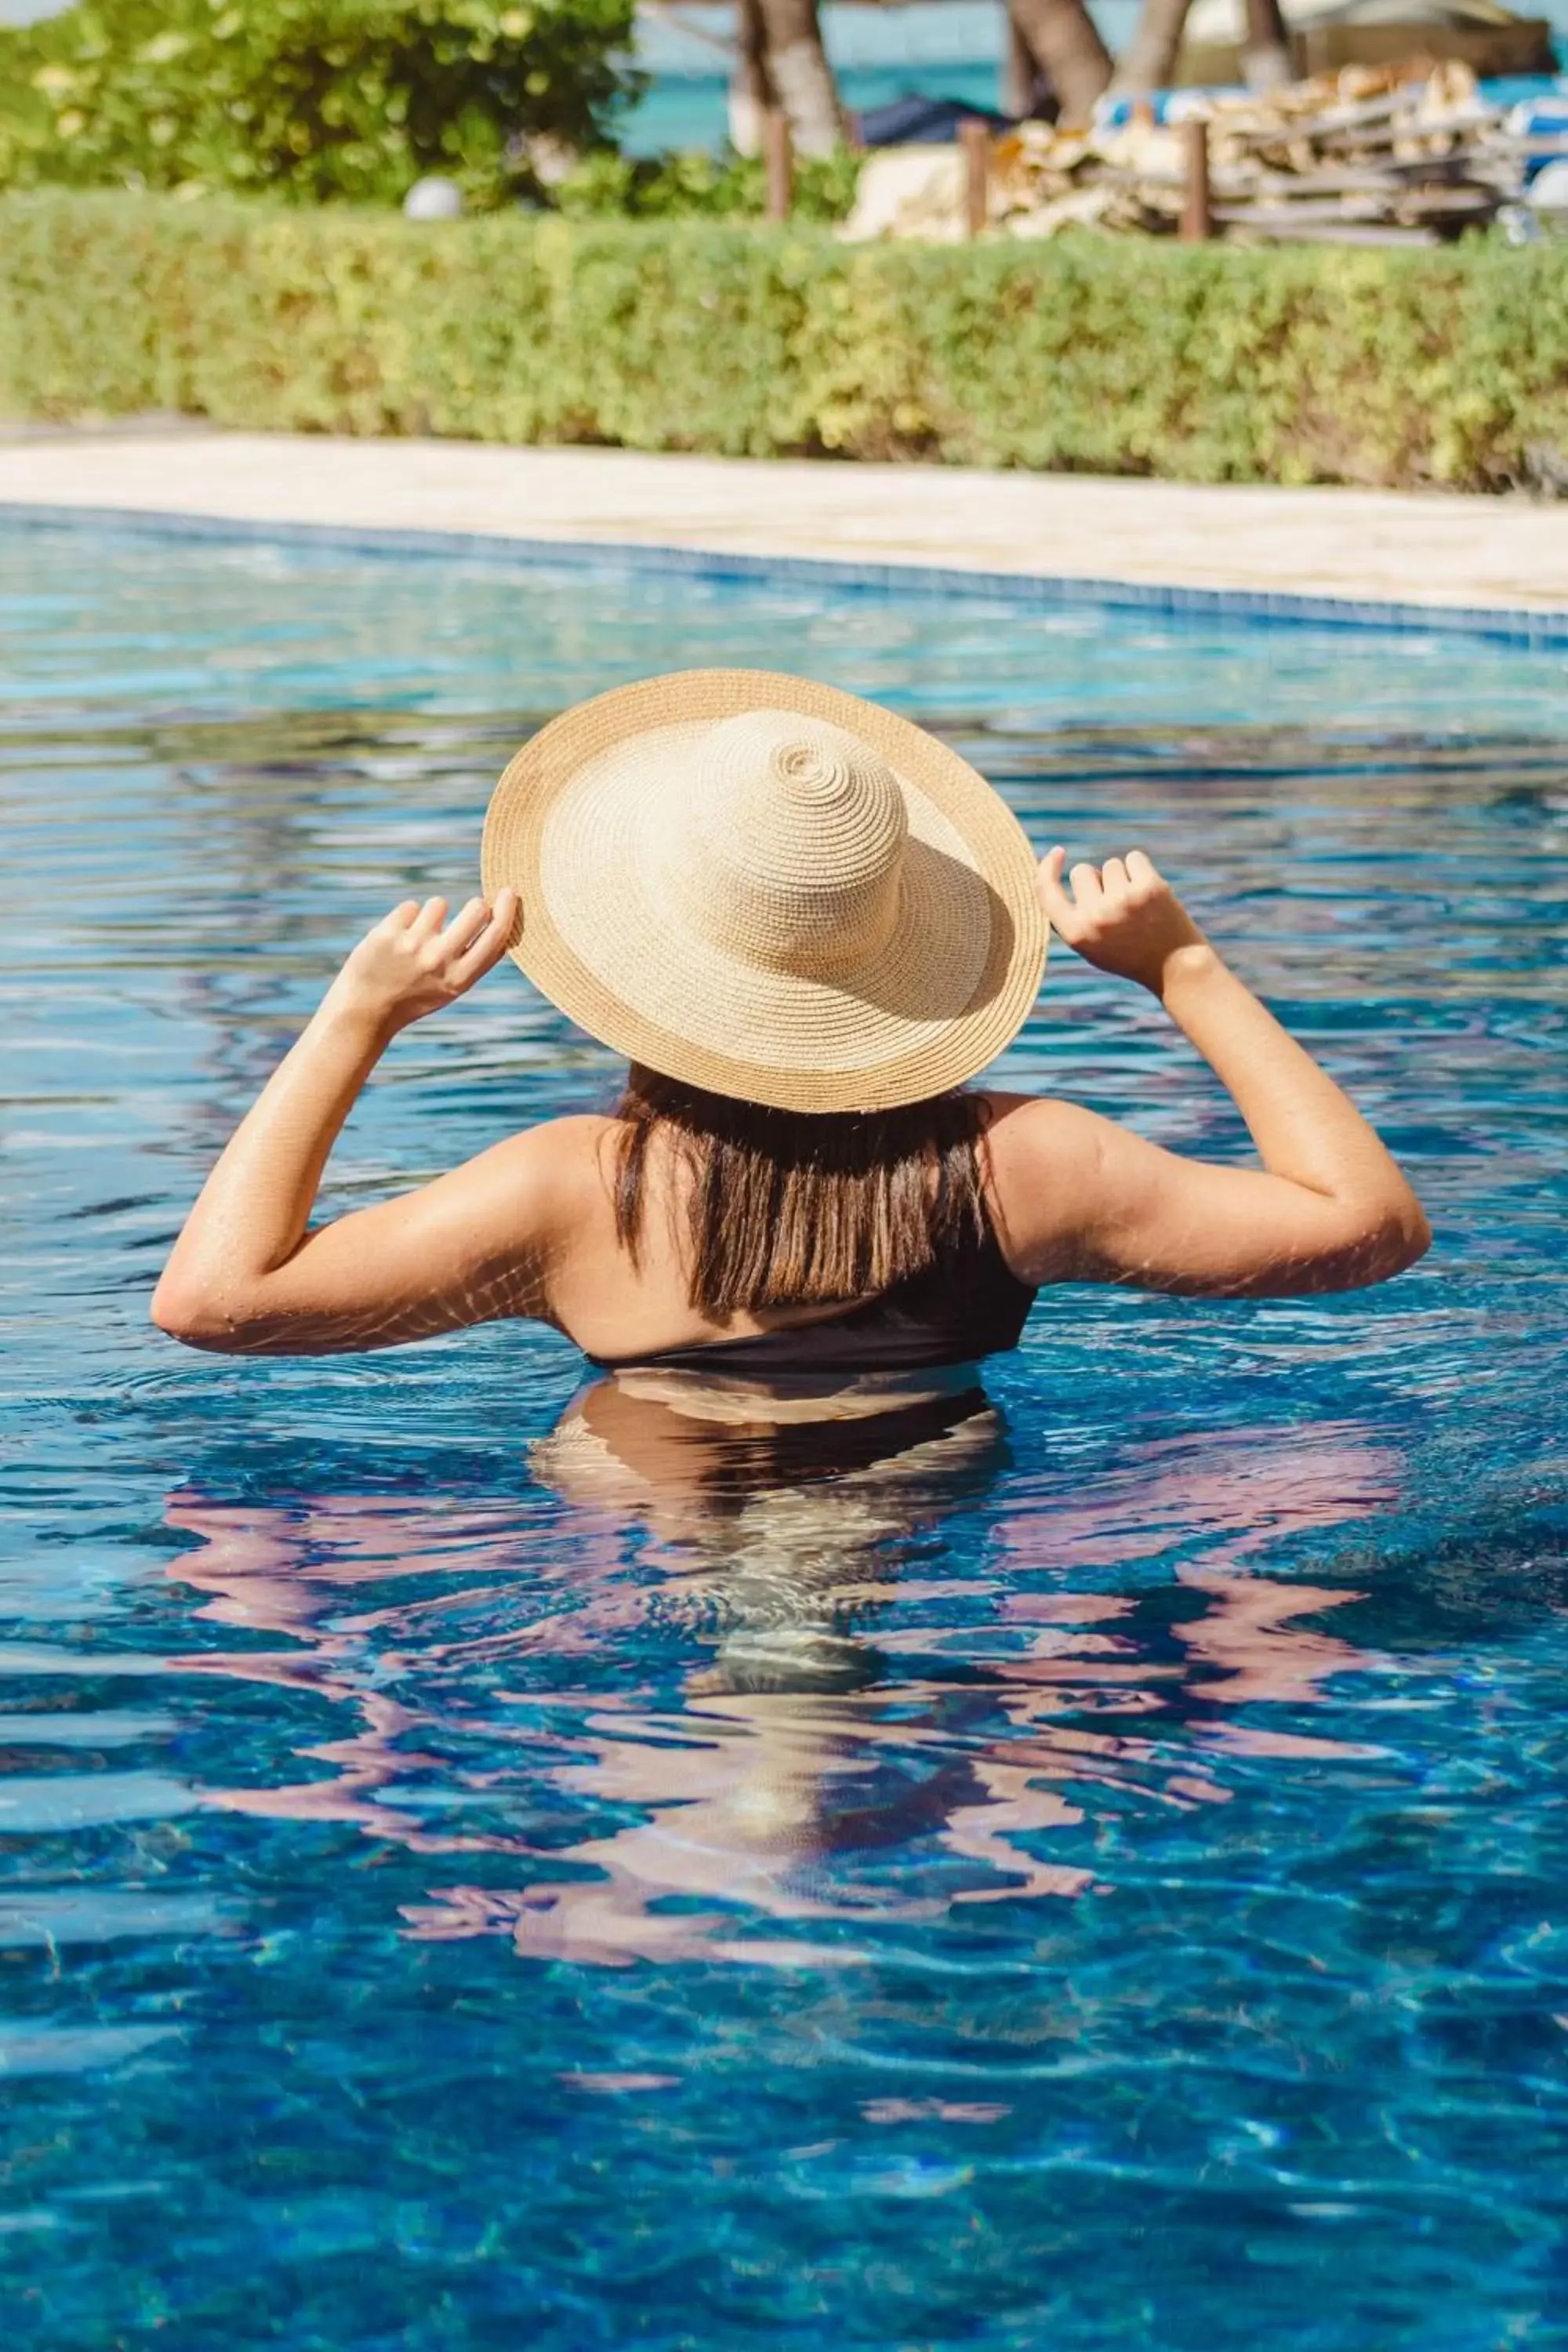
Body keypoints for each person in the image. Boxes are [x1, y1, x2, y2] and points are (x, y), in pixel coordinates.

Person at [151, 666, 1430, 1381]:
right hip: (930, 1521)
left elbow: (214, 1303)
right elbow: (1366, 1231)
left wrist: (355, 1019)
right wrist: (1187, 970)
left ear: (639, 965)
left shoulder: (577, 1196)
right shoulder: (1020, 1170)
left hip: (643, 1530)